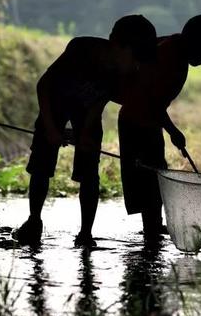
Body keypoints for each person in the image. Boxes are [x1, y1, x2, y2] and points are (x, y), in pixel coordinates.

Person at [14, 15, 158, 247]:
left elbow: (98, 102)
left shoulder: (121, 72)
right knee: (42, 162)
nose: (136, 66)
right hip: (56, 102)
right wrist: (51, 128)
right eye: (135, 58)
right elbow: (44, 85)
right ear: (118, 45)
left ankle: (85, 234)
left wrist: (87, 131)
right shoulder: (81, 49)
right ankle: (34, 221)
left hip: (86, 109)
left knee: (89, 169)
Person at [118, 15, 201, 241]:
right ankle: (151, 232)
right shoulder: (169, 55)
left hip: (148, 120)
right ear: (196, 42)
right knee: (149, 177)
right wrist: (173, 131)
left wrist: (168, 129)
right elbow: (150, 99)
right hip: (136, 121)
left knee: (155, 174)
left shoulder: (175, 50)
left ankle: (153, 227)